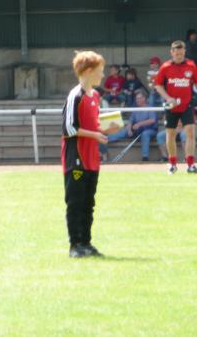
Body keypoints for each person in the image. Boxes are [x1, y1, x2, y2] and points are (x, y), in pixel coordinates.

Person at [61, 51, 119, 258]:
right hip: (76, 157)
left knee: (88, 202)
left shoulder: (95, 96)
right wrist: (95, 133)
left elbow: (93, 124)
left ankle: (86, 242)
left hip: (92, 158)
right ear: (87, 71)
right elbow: (68, 128)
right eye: (100, 71)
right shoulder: (75, 95)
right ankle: (74, 245)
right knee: (75, 202)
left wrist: (105, 129)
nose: (102, 75)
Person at [154, 40, 197, 174]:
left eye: (181, 54)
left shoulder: (191, 65)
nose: (179, 56)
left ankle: (190, 164)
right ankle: (172, 164)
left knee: (190, 133)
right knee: (170, 134)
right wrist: (168, 98)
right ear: (172, 52)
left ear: (184, 52)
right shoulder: (165, 67)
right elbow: (158, 86)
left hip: (187, 105)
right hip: (171, 106)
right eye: (177, 54)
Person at [100, 91, 157, 162]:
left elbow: (152, 120)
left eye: (139, 98)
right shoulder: (136, 109)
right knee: (123, 133)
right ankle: (104, 140)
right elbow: (130, 121)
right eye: (136, 99)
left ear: (144, 98)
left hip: (149, 130)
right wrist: (129, 129)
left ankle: (145, 158)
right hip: (136, 131)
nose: (137, 100)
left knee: (145, 134)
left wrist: (139, 124)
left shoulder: (150, 108)